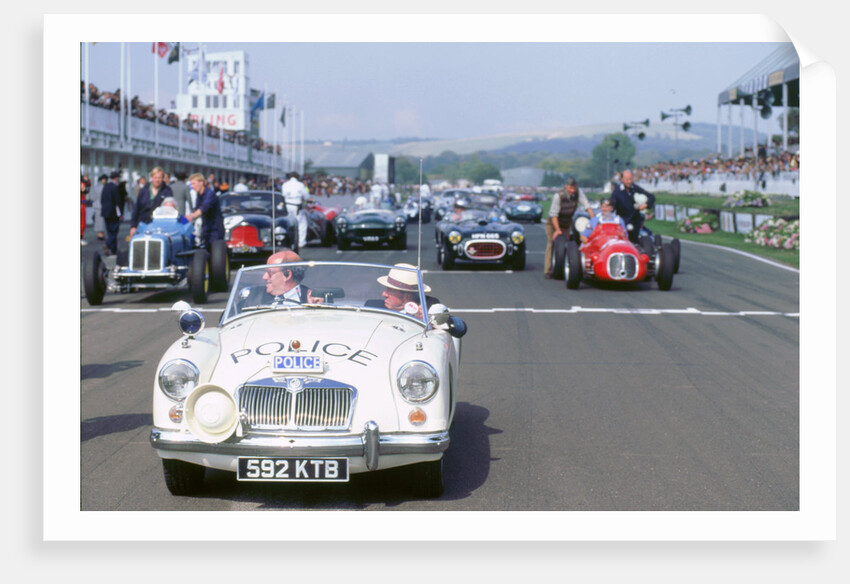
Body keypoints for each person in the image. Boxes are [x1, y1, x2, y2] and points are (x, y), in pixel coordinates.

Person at [544, 177, 594, 279]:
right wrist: (557, 230)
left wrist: (594, 221)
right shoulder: (558, 196)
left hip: (566, 223)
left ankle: (563, 268)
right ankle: (548, 270)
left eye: (574, 188)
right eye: (570, 188)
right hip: (553, 223)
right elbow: (554, 215)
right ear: (566, 186)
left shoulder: (578, 192)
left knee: (565, 245)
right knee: (552, 243)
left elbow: (587, 206)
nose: (572, 191)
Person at [611, 169, 655, 244]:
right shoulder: (616, 192)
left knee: (643, 240)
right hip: (623, 223)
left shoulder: (634, 188)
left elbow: (651, 197)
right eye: (627, 180)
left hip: (636, 221)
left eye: (630, 179)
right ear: (622, 179)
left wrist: (646, 204)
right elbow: (612, 207)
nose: (629, 182)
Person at [129, 167, 173, 238]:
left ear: (162, 178)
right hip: (143, 224)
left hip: (159, 226)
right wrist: (133, 226)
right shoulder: (143, 190)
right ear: (151, 177)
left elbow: (170, 210)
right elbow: (136, 208)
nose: (157, 180)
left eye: (159, 178)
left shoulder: (167, 191)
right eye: (155, 177)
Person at [185, 173, 225, 249]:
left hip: (215, 230)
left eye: (193, 184)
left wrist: (191, 217)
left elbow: (203, 208)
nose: (192, 186)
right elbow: (196, 210)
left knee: (216, 253)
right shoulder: (199, 195)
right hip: (206, 229)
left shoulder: (210, 194)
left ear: (201, 182)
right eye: (191, 184)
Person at [281, 171, 310, 250]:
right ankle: (301, 242)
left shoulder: (285, 184)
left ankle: (288, 241)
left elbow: (283, 195)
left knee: (289, 222)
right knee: (302, 222)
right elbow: (306, 196)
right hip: (296, 204)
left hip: (287, 205)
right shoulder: (300, 185)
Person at [100, 170, 123, 256]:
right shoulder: (115, 187)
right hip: (113, 213)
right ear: (116, 178)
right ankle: (107, 244)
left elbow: (102, 199)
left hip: (105, 212)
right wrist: (121, 213)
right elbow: (118, 201)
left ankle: (113, 250)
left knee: (109, 231)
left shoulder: (105, 186)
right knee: (114, 231)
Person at [88, 174, 107, 241]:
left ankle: (100, 234)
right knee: (102, 221)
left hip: (97, 206)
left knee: (98, 221)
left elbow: (92, 197)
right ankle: (101, 234)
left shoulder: (95, 187)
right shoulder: (105, 187)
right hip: (104, 206)